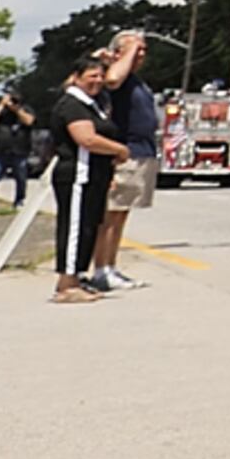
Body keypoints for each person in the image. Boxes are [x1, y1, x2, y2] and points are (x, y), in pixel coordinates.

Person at [44, 52, 126, 305]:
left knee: (89, 227)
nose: (98, 81)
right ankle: (66, 284)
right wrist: (119, 150)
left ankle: (78, 277)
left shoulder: (93, 105)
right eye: (92, 76)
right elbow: (86, 139)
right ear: (77, 78)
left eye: (101, 76)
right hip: (76, 175)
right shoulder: (72, 105)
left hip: (95, 176)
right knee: (74, 228)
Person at [87, 33, 161, 289]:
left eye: (143, 50)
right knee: (109, 215)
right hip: (124, 151)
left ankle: (111, 266)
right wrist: (126, 51)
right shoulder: (116, 74)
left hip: (142, 151)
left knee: (121, 215)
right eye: (135, 49)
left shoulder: (135, 79)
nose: (141, 54)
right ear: (118, 52)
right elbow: (113, 79)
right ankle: (100, 269)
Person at [0, 97, 32, 209]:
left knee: (21, 178)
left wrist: (17, 110)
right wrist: (1, 105)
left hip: (20, 151)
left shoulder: (25, 109)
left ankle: (19, 201)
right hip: (0, 152)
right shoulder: (2, 113)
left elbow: (29, 121)